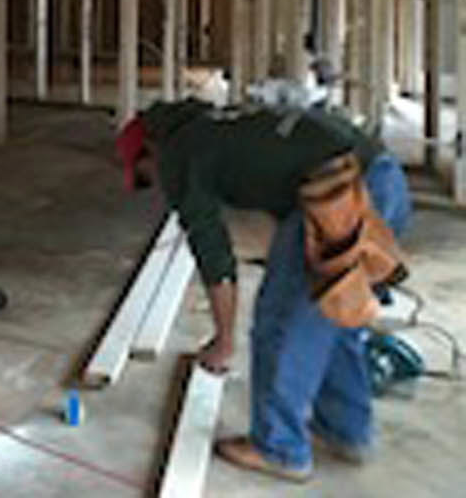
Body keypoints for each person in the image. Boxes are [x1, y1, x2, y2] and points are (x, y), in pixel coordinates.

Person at [117, 97, 411, 483]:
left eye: (143, 176)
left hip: (337, 192)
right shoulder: (213, 126)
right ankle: (345, 430)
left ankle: (280, 448)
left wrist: (224, 341)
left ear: (148, 151)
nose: (153, 185)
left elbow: (214, 257)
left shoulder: (178, 156)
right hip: (381, 177)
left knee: (281, 320)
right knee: (332, 316)